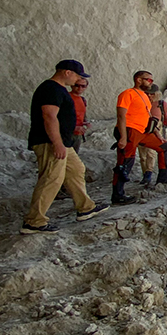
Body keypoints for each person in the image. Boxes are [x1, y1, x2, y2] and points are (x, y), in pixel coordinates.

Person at [21, 60, 110, 234]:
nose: (78, 80)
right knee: (51, 178)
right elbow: (49, 117)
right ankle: (34, 221)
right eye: (77, 75)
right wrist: (57, 143)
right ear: (67, 72)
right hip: (50, 142)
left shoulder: (58, 89)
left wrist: (71, 129)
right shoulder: (51, 89)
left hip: (62, 142)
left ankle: (85, 207)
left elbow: (59, 118)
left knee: (76, 169)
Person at [113, 70, 167, 204]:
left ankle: (164, 178)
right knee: (125, 161)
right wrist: (123, 136)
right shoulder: (127, 94)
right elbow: (121, 116)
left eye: (151, 80)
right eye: (148, 80)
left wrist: (157, 134)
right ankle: (117, 195)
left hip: (143, 132)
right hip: (130, 131)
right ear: (138, 80)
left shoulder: (144, 97)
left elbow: (148, 118)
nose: (150, 82)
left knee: (165, 147)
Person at [138, 84, 167, 186]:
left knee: (151, 152)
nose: (150, 96)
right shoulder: (142, 103)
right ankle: (146, 174)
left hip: (156, 128)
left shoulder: (161, 104)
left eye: (152, 94)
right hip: (143, 129)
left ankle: (149, 173)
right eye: (147, 94)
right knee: (142, 154)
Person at [70, 78, 91, 150]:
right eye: (77, 85)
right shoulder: (66, 97)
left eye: (83, 86)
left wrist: (85, 123)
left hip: (78, 133)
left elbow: (82, 115)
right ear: (72, 85)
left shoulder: (82, 100)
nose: (80, 88)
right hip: (66, 133)